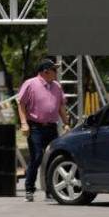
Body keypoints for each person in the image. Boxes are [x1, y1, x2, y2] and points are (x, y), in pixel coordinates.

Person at [17, 59, 69, 202]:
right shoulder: (30, 84)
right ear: (46, 71)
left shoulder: (57, 87)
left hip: (51, 127)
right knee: (38, 156)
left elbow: (61, 107)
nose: (56, 73)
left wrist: (66, 123)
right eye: (54, 70)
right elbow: (21, 104)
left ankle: (50, 191)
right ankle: (29, 189)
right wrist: (23, 123)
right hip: (35, 127)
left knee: (52, 158)